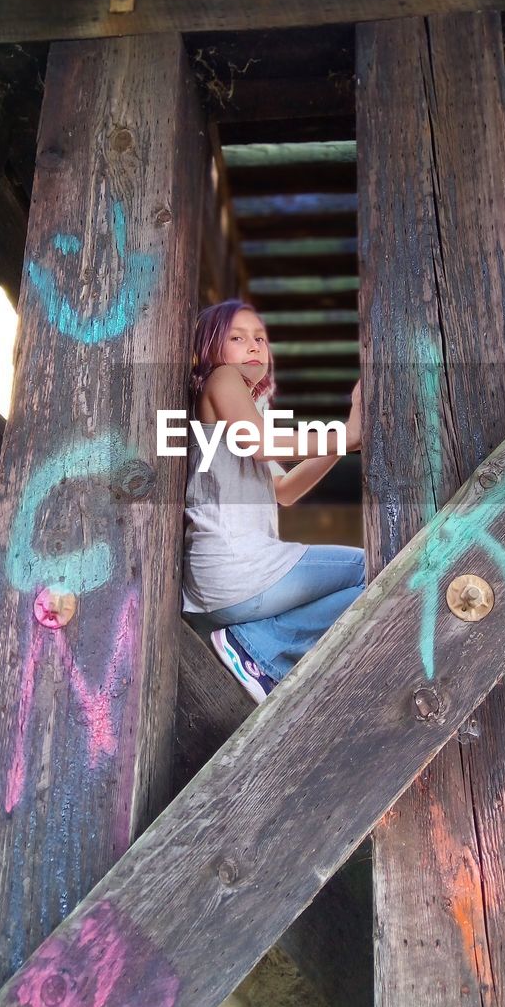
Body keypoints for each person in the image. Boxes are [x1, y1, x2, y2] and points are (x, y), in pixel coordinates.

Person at [181, 298, 366, 703]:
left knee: (372, 576)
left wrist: (346, 437)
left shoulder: (240, 411)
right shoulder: (222, 379)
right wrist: (347, 434)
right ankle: (261, 649)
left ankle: (256, 648)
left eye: (260, 338)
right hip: (236, 567)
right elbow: (262, 444)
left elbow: (286, 490)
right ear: (210, 348)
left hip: (223, 587)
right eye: (237, 337)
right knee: (376, 569)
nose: (254, 346)